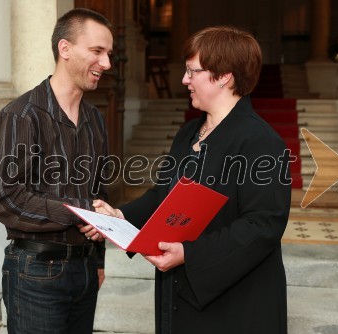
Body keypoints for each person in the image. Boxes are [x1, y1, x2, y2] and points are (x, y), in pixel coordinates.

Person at [87, 25, 291, 333]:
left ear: (224, 76)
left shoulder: (261, 142)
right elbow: (162, 196)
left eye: (192, 71)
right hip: (179, 293)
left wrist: (190, 255)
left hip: (235, 303)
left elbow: (263, 225)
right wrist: (120, 215)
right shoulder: (188, 133)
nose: (184, 80)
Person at [0, 8, 113, 334]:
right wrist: (78, 212)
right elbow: (6, 198)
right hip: (35, 273)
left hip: (84, 271)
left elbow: (98, 193)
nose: (107, 64)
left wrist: (98, 259)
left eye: (109, 54)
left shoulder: (96, 120)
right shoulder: (20, 116)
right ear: (65, 48)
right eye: (97, 51)